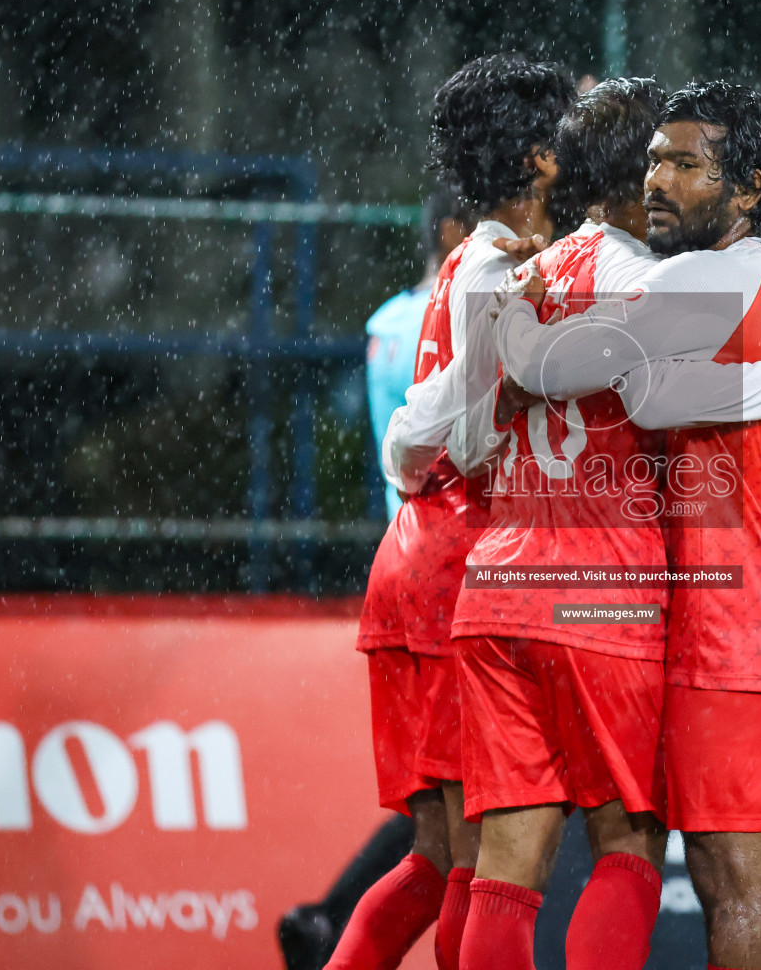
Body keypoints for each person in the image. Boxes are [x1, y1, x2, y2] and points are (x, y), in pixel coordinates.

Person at [491, 82, 761, 970]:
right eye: (653, 160)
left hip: (738, 609)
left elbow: (580, 375)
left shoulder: (699, 276)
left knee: (729, 875)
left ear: (748, 187)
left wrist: (521, 308)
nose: (659, 180)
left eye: (687, 165)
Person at [325, 53, 573, 970]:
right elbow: (455, 434)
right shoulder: (494, 274)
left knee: (440, 859)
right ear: (541, 158)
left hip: (421, 556)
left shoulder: (473, 262)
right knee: (485, 857)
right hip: (456, 569)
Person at [277, 191, 475, 970]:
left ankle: (327, 922)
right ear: (463, 230)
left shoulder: (385, 323)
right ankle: (327, 921)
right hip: (460, 567)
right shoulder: (462, 311)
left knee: (438, 820)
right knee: (475, 828)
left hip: (400, 549)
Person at [365, 190, 475, 517]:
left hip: (399, 520)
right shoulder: (447, 315)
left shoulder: (383, 324)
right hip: (450, 525)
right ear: (452, 231)